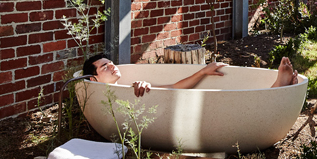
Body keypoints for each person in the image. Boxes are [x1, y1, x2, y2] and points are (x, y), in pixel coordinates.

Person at [82, 54, 299, 97]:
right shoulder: (110, 94)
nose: (112, 67)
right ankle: (276, 89)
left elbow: (175, 88)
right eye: (104, 67)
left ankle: (276, 88)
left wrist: (203, 71)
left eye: (111, 63)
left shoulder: (129, 85)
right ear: (93, 80)